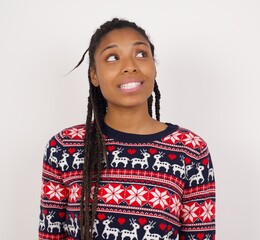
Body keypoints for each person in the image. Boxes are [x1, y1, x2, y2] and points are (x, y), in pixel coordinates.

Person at [39, 18, 215, 240]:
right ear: (94, 75)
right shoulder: (64, 147)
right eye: (112, 57)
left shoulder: (190, 150)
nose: (130, 65)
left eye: (141, 54)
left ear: (154, 68)